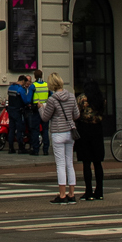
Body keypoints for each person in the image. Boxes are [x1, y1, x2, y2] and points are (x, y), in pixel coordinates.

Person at [40, 73, 79, 204]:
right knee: (70, 163)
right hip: (70, 132)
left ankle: (62, 195)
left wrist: (41, 108)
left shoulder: (52, 99)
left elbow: (45, 117)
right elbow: (76, 115)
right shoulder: (71, 96)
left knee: (61, 164)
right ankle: (72, 194)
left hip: (58, 132)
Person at [75, 86, 108, 201]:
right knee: (98, 162)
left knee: (86, 162)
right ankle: (99, 191)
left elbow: (77, 114)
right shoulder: (100, 98)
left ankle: (88, 191)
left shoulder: (82, 98)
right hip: (97, 130)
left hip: (84, 129)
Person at [7, 76, 34, 154]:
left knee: (11, 129)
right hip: (18, 111)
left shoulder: (10, 87)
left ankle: (11, 148)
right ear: (22, 81)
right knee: (19, 129)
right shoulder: (20, 89)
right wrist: (30, 92)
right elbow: (26, 100)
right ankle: (21, 148)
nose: (24, 85)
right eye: (24, 83)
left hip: (10, 110)